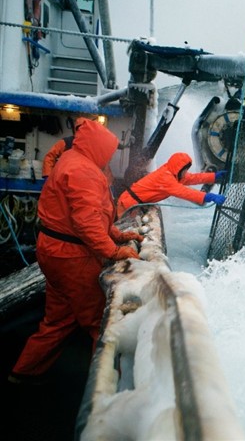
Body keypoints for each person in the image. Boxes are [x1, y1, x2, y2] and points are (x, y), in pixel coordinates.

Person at [8, 119, 143, 384]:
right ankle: (102, 390)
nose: (110, 156)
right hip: (72, 258)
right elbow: (87, 223)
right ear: (99, 147)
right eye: (109, 150)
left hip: (53, 251)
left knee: (58, 319)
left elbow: (89, 217)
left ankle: (21, 373)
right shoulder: (85, 172)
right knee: (99, 322)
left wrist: (120, 234)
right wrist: (115, 251)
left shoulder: (72, 160)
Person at [116, 152, 226, 217]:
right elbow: (183, 192)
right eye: (185, 169)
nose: (186, 172)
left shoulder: (174, 172)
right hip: (128, 204)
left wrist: (213, 176)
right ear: (179, 168)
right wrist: (207, 197)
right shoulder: (166, 178)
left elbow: (193, 177)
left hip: (134, 203)